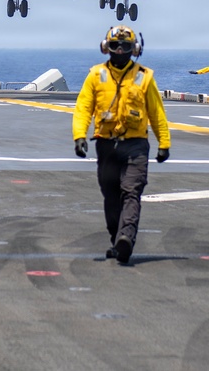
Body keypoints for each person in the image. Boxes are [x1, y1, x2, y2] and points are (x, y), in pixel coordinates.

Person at [72, 25, 170, 264]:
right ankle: (117, 237)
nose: (119, 50)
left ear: (134, 49)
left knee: (131, 191)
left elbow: (156, 112)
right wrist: (79, 136)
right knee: (110, 193)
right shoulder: (96, 75)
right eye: (115, 45)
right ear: (106, 48)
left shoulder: (144, 76)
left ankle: (126, 238)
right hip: (105, 144)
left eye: (125, 46)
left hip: (136, 144)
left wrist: (164, 142)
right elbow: (83, 107)